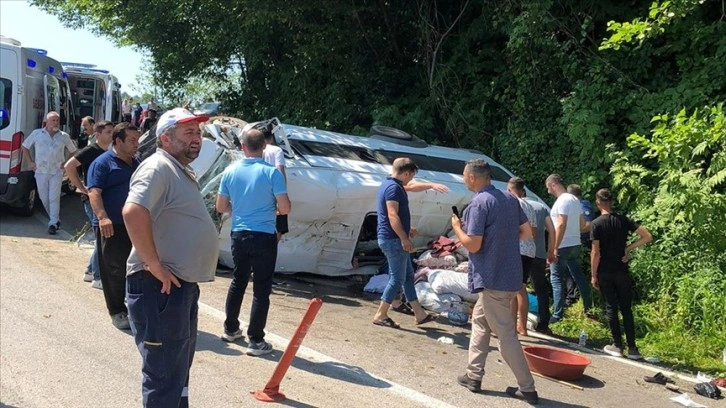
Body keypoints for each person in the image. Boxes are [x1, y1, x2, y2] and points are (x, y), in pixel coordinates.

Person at [122, 107, 217, 407]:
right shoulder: (158, 167)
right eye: (188, 132)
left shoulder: (177, 169)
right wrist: (154, 265)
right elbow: (133, 211)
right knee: (164, 377)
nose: (196, 138)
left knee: (176, 375)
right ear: (165, 138)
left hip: (177, 287)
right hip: (158, 287)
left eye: (198, 132)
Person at [451, 159, 538, 404]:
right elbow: (527, 233)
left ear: (472, 177)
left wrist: (457, 228)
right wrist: (502, 240)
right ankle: (473, 375)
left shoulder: (479, 203)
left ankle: (528, 388)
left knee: (506, 335)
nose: (463, 179)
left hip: (492, 278)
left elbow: (473, 245)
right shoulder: (510, 199)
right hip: (510, 275)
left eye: (464, 175)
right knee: (479, 322)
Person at [216, 128, 291, 355]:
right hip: (264, 235)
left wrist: (238, 207)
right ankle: (256, 340)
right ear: (264, 147)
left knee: (238, 281)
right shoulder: (272, 173)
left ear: (242, 147)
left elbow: (220, 207)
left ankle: (230, 328)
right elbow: (285, 207)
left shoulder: (230, 171)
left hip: (239, 233)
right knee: (261, 288)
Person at [371, 157, 441, 329]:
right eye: (412, 176)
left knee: (408, 277)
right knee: (397, 279)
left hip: (392, 237)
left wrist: (407, 229)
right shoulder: (394, 188)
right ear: (407, 173)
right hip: (393, 240)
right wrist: (404, 237)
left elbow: (410, 189)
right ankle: (380, 314)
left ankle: (419, 314)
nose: (411, 180)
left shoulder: (390, 184)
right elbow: (392, 215)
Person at [87, 123, 141, 330]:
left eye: (137, 140)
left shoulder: (137, 162)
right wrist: (103, 218)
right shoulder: (103, 163)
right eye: (132, 140)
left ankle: (134, 306)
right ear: (118, 141)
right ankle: (117, 311)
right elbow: (94, 192)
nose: (136, 144)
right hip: (112, 224)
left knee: (135, 267)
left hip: (134, 224)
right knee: (114, 269)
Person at [590, 188, 652, 360]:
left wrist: (593, 275)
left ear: (597, 202)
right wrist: (628, 248)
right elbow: (647, 236)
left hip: (605, 270)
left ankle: (617, 345)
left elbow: (595, 252)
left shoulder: (596, 224)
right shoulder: (623, 220)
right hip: (622, 270)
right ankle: (633, 348)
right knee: (626, 309)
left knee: (611, 307)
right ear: (612, 202)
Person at [64, 120, 113, 288]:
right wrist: (81, 187)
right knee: (102, 237)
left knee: (101, 237)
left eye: (112, 132)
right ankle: (98, 277)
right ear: (98, 134)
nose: (111, 135)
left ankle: (91, 271)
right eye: (108, 132)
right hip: (92, 199)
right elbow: (69, 166)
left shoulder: (109, 151)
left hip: (103, 199)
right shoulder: (91, 150)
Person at [545, 174, 592, 323]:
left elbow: (561, 224)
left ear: (552, 184)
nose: (548, 191)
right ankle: (589, 308)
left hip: (563, 245)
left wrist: (554, 248)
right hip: (575, 244)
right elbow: (582, 225)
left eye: (548, 187)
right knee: (579, 276)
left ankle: (557, 315)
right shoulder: (575, 200)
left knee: (556, 279)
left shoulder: (562, 200)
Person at [21, 111, 77, 235]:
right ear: (47, 122)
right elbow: (25, 146)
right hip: (41, 170)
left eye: (57, 120)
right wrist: (30, 162)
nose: (56, 123)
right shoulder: (37, 134)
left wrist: (66, 163)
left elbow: (73, 150)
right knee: (43, 197)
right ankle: (55, 219)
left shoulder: (64, 136)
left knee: (54, 198)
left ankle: (52, 223)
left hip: (56, 171)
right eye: (53, 120)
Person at [523, 190, 556, 334]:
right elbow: (552, 230)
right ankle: (543, 324)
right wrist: (551, 250)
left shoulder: (518, 205)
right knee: (541, 288)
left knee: (518, 286)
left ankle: (517, 321)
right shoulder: (541, 207)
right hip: (539, 253)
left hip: (522, 252)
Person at [506, 177, 536, 336]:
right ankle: (521, 326)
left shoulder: (512, 203)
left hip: (516, 249)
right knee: (521, 287)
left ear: (509, 189)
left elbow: (510, 227)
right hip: (530, 250)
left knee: (515, 289)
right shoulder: (530, 206)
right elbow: (534, 231)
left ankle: (513, 325)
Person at [564, 184, 595, 306]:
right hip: (575, 241)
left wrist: (570, 229)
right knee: (569, 269)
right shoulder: (577, 205)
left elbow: (588, 225)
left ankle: (575, 297)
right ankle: (572, 295)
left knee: (575, 270)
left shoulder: (583, 205)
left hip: (582, 241)